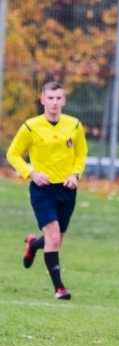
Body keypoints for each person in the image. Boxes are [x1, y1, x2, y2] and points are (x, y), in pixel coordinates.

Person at [7, 81, 88, 300]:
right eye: (50, 98)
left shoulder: (74, 125)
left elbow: (81, 154)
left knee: (56, 240)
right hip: (42, 190)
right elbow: (13, 154)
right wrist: (31, 172)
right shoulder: (31, 126)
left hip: (67, 189)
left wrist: (75, 174)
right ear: (42, 100)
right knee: (52, 237)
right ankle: (59, 288)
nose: (54, 102)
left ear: (64, 100)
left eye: (58, 98)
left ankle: (33, 244)